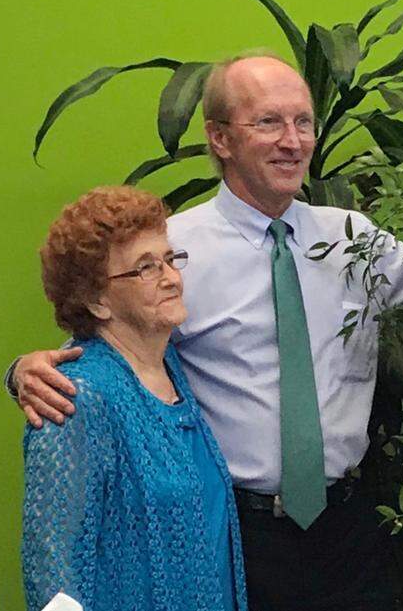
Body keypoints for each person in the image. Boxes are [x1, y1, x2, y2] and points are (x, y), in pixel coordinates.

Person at [12, 54, 403, 610]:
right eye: (268, 122)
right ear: (219, 138)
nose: (293, 141)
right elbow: (111, 352)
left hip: (354, 527)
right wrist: (23, 372)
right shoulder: (172, 251)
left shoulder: (352, 240)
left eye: (304, 122)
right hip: (242, 538)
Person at [22, 186, 247, 611]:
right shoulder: (77, 398)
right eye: (144, 268)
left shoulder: (171, 365)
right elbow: (50, 572)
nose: (170, 277)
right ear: (96, 300)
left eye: (168, 259)